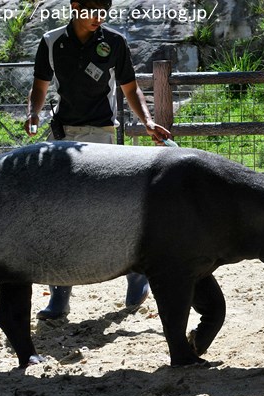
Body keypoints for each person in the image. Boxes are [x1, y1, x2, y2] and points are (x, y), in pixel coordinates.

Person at [24, 0, 173, 320]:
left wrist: (147, 122)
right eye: (93, 9)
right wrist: (33, 114)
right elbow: (40, 86)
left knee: (107, 214)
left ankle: (136, 276)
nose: (99, 17)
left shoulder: (114, 43)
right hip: (62, 139)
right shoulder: (51, 42)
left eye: (104, 10)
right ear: (76, 6)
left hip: (102, 137)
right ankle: (59, 298)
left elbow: (130, 89)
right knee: (56, 216)